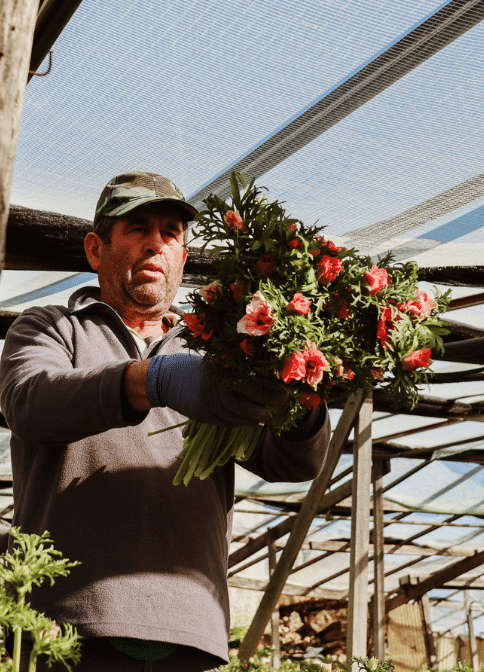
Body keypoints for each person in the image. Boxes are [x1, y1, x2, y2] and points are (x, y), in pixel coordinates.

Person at [0, 171, 331, 671]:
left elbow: (291, 462)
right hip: (69, 625)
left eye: (171, 233)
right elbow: (30, 403)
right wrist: (147, 381)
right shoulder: (51, 328)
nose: (156, 242)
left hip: (191, 629)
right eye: (138, 228)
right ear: (95, 249)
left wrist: (300, 389)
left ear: (183, 255)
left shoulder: (218, 350)